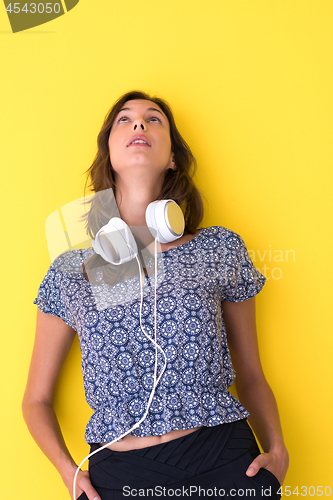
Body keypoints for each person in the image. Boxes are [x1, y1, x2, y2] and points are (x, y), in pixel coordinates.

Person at [23, 90, 289, 500]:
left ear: (172, 158)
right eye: (124, 121)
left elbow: (251, 374)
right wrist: (66, 471)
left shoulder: (218, 249)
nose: (139, 125)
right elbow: (36, 399)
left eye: (154, 119)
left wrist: (278, 451)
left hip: (224, 459)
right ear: (108, 151)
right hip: (120, 473)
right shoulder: (71, 271)